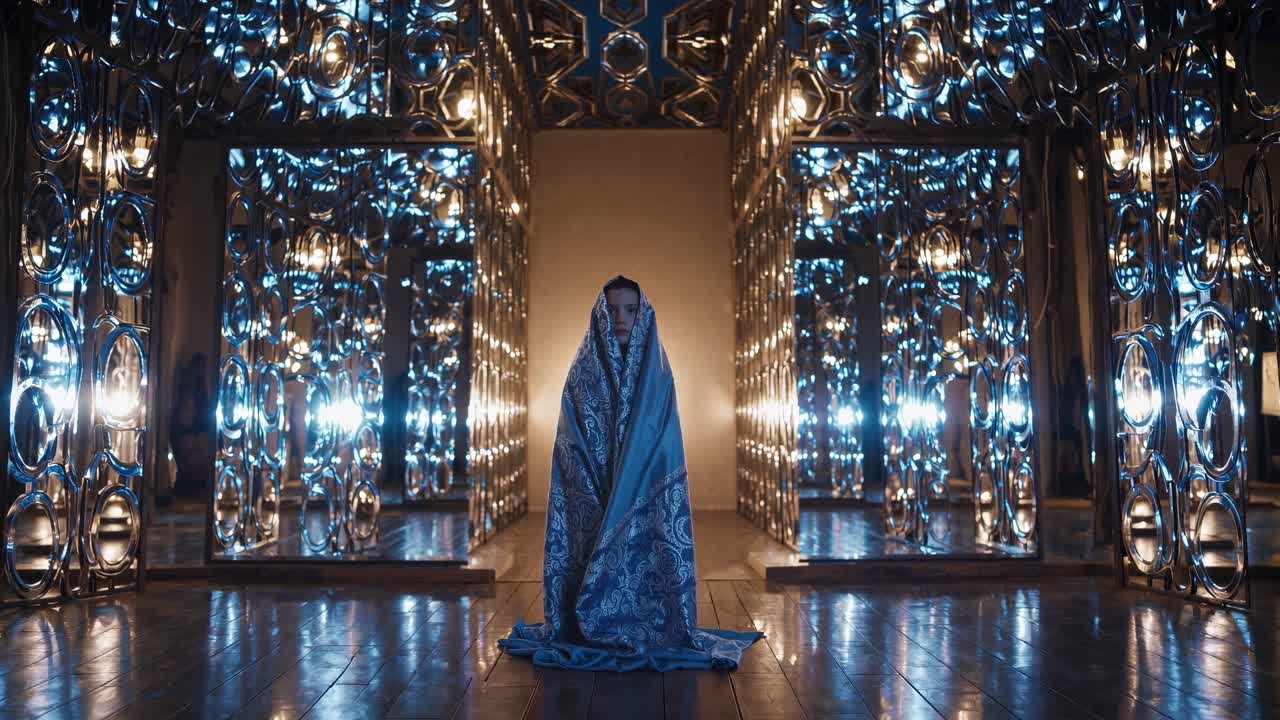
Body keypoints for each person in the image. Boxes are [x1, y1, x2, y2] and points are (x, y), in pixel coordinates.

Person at [498, 276, 764, 671]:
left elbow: (664, 439)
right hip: (590, 485)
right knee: (586, 531)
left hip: (644, 487)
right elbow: (570, 438)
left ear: (643, 314)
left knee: (647, 537)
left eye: (630, 309)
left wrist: (632, 481)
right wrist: (596, 481)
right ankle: (585, 619)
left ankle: (644, 620)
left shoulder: (659, 376)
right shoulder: (581, 374)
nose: (620, 318)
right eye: (612, 309)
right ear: (600, 314)